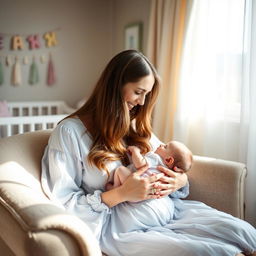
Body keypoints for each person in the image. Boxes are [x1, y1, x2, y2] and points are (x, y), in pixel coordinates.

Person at [41, 50, 256, 256]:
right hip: (125, 229)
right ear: (114, 87)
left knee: (243, 232)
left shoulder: (133, 123)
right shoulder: (69, 133)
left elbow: (170, 161)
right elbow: (64, 202)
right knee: (205, 252)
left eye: (147, 95)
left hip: (171, 212)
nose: (142, 102)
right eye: (138, 92)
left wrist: (178, 181)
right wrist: (121, 194)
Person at [106, 141, 193, 193]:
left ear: (168, 160)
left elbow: (141, 164)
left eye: (165, 146)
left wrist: (135, 151)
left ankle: (115, 188)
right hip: (147, 194)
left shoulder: (156, 158)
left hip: (134, 187)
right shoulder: (168, 173)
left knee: (120, 170)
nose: (161, 145)